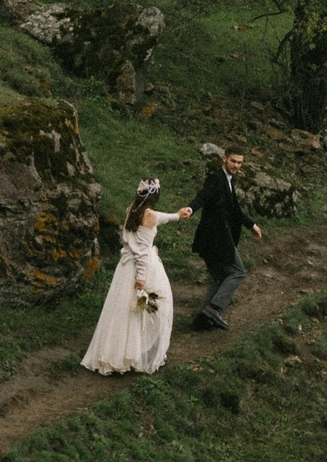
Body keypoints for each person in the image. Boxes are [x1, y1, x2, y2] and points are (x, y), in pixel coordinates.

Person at [80, 176, 192, 377]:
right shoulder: (148, 215)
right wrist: (141, 278)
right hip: (141, 267)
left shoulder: (133, 209)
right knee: (150, 308)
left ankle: (119, 352)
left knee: (122, 311)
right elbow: (141, 251)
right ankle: (133, 355)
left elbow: (160, 217)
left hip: (125, 267)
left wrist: (177, 215)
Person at [190, 146, 261, 332]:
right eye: (233, 161)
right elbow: (203, 196)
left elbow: (235, 209)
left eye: (239, 163)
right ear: (224, 159)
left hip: (215, 239)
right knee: (238, 272)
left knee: (220, 277)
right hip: (216, 239)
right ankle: (214, 309)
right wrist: (190, 209)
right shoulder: (216, 179)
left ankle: (203, 318)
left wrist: (252, 225)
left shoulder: (229, 180)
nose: (236, 165)